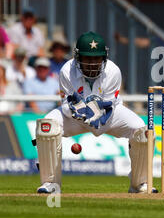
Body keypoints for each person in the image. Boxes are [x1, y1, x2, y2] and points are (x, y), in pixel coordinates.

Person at [34, 31, 154, 194]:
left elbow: (108, 107)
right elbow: (66, 108)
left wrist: (85, 109)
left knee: (141, 130)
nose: (92, 63)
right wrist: (84, 112)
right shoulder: (66, 71)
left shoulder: (113, 71)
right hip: (76, 118)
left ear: (104, 57)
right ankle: (51, 182)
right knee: (47, 125)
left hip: (110, 116)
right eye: (88, 59)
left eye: (96, 58)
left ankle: (139, 183)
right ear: (78, 58)